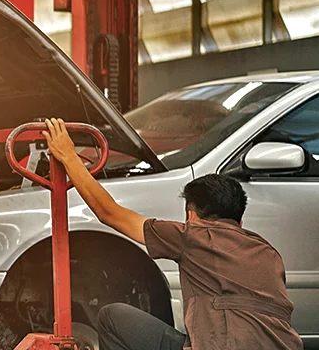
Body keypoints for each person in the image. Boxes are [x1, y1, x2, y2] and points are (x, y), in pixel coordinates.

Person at [39, 119, 302, 350]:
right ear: (240, 220)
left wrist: (69, 157)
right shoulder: (270, 254)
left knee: (111, 317)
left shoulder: (193, 236)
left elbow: (109, 213)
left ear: (191, 216)